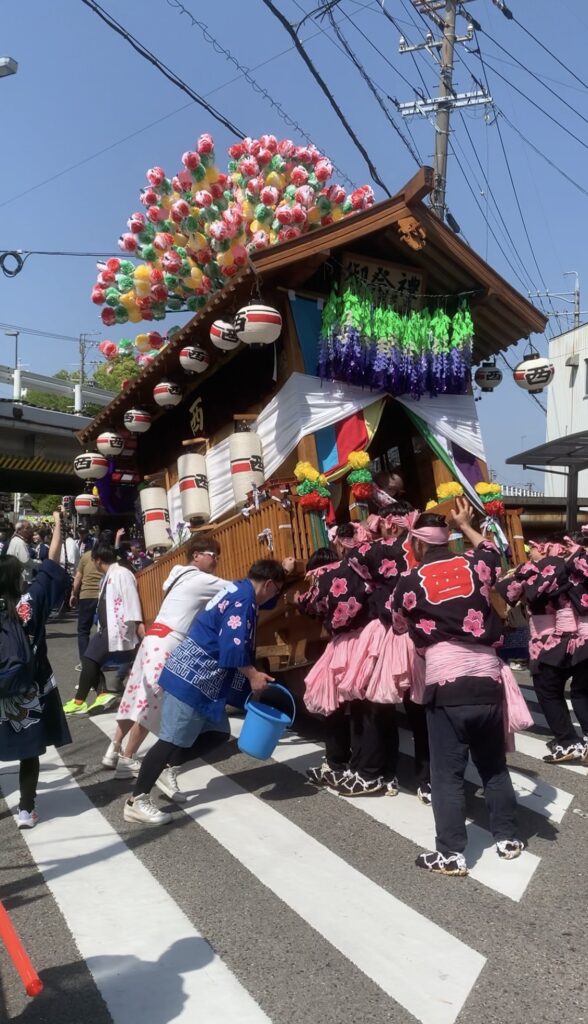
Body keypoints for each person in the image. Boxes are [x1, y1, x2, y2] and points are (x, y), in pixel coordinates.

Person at [393, 498, 529, 877]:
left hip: (447, 686)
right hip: (488, 680)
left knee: (447, 774)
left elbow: (399, 624)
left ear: (418, 545)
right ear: (448, 539)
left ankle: (451, 853)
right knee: (494, 767)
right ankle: (507, 839)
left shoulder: (409, 582)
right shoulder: (477, 563)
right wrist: (467, 524)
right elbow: (495, 552)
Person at [124, 559, 286, 826]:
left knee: (218, 734)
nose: (274, 598)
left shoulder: (240, 589)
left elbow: (265, 605)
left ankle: (167, 768)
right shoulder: (242, 601)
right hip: (191, 676)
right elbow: (232, 644)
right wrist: (254, 675)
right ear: (269, 584)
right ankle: (137, 800)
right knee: (170, 740)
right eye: (276, 591)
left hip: (203, 679)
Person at [102, 535, 229, 793]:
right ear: (195, 555)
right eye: (211, 553)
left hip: (153, 639)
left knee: (136, 696)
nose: (215, 559)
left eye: (217, 554)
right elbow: (236, 590)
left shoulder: (178, 575)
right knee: (154, 705)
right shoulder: (200, 579)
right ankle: (127, 758)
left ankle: (113, 748)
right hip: (169, 643)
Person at [0, 510, 71, 829]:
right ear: (18, 577)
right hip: (29, 685)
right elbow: (53, 562)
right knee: (29, 749)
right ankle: (26, 809)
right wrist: (57, 525)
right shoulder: (30, 600)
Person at [496, 538, 584, 763]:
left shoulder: (534, 571)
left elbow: (508, 592)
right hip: (584, 637)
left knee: (548, 691)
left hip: (550, 639)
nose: (530, 551)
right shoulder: (579, 565)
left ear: (543, 549)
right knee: (583, 691)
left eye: (532, 547)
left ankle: (568, 742)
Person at [63, 544, 144, 716]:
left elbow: (131, 597)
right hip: (110, 627)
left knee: (90, 657)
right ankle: (101, 694)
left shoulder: (121, 573)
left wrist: (137, 622)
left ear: (98, 560)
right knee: (92, 659)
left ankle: (80, 701)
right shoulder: (110, 574)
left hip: (119, 626)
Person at [69, 546, 105, 663]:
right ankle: (102, 658)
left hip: (87, 595)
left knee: (83, 631)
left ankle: (85, 661)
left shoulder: (86, 556)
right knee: (104, 629)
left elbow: (78, 576)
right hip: (102, 595)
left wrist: (73, 594)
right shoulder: (110, 556)